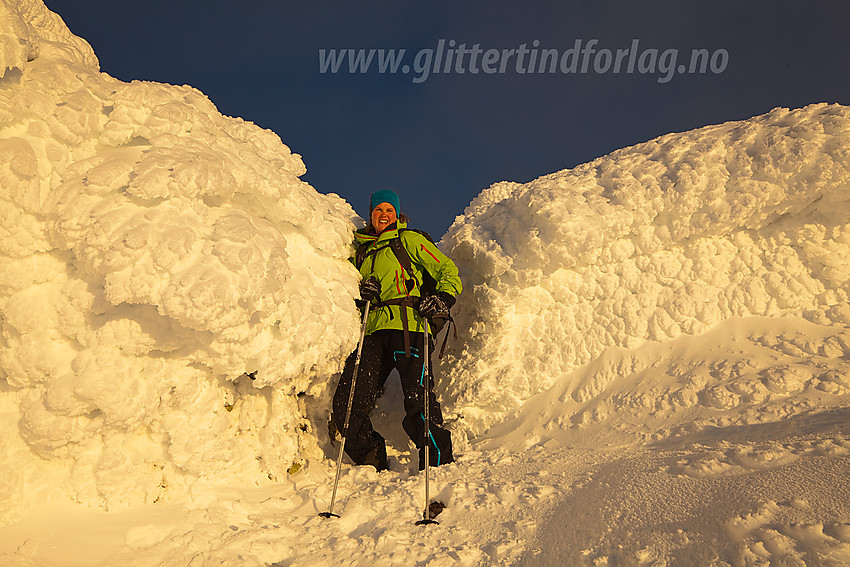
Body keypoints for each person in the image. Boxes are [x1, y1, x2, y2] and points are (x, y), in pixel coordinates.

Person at [331, 189, 461, 472]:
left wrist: (441, 298)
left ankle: (439, 466)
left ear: (397, 214)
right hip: (371, 332)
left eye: (389, 210)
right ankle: (371, 462)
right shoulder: (361, 252)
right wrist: (360, 293)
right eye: (378, 210)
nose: (384, 215)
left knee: (419, 399)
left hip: (410, 326)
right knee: (349, 403)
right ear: (371, 216)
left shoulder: (409, 240)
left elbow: (446, 270)